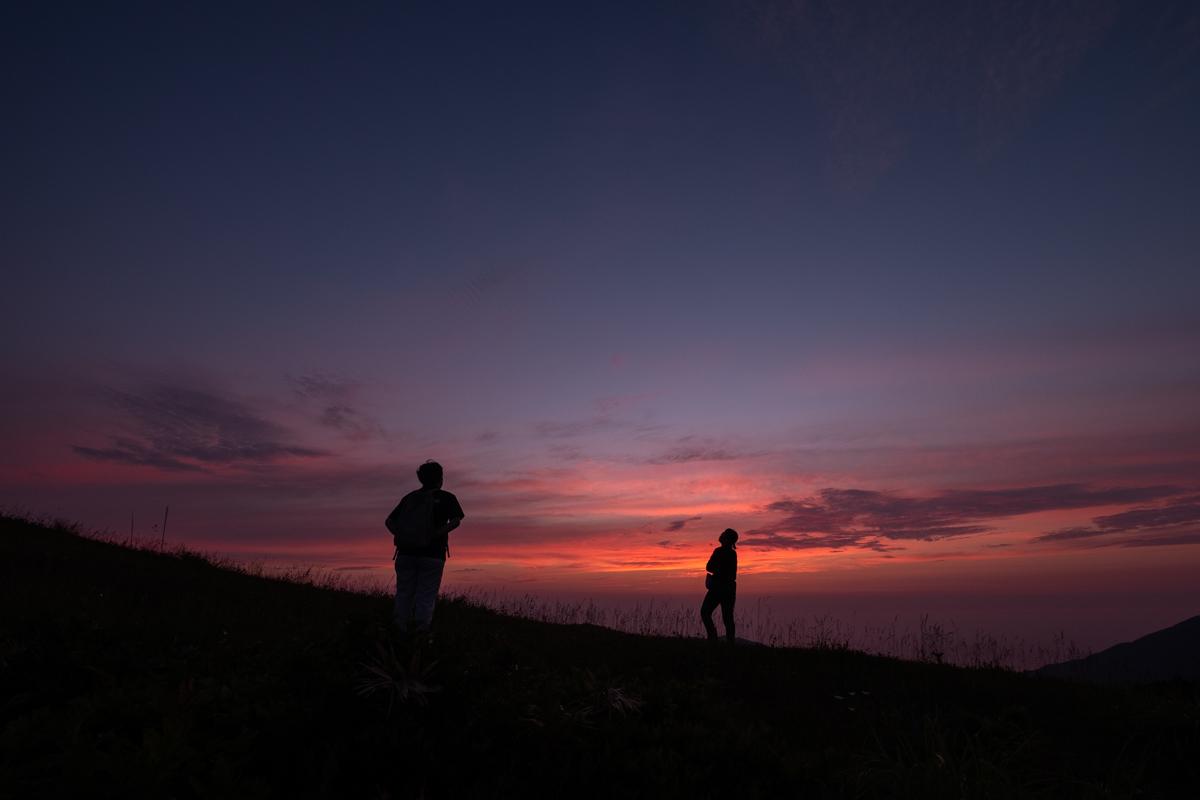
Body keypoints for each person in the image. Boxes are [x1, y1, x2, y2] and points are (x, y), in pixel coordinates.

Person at [386, 460, 464, 636]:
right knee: (426, 595)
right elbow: (456, 521)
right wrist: (435, 535)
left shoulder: (409, 498)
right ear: (440, 478)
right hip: (432, 555)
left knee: (403, 593)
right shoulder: (446, 497)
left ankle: (398, 631)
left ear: (421, 478)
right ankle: (420, 635)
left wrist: (402, 536)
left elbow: (389, 522)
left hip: (405, 554)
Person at [701, 528, 738, 643]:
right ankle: (729, 643)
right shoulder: (733, 553)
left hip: (718, 587)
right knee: (728, 618)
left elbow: (709, 567)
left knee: (705, 612)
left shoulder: (719, 551)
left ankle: (713, 638)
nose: (721, 535)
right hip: (729, 588)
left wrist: (718, 571)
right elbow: (732, 574)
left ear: (726, 539)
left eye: (724, 534)